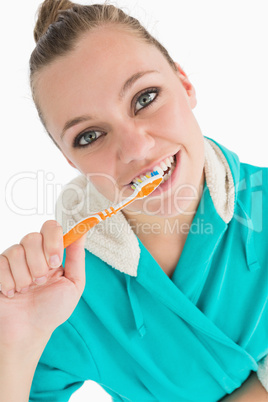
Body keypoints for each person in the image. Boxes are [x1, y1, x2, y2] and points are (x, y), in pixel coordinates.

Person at [0, 0, 267, 400]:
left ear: (185, 83)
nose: (136, 148)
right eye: (89, 135)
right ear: (69, 159)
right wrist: (15, 346)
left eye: (145, 98)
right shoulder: (61, 296)